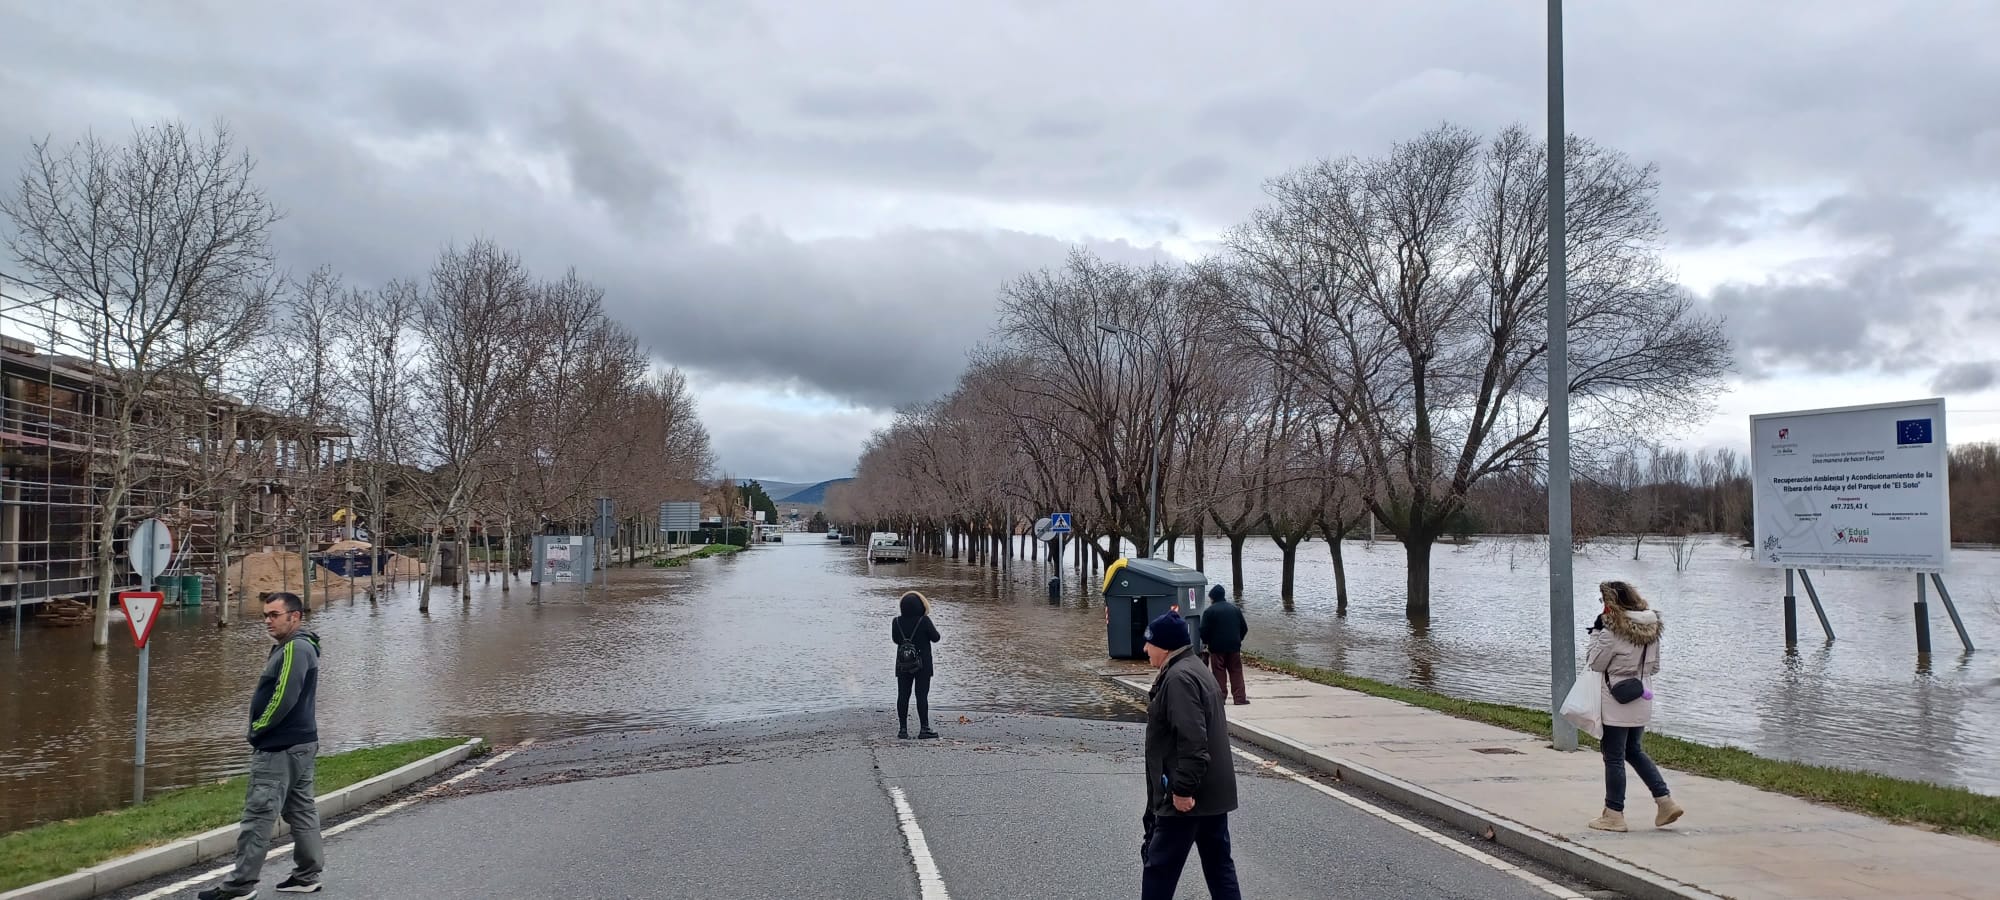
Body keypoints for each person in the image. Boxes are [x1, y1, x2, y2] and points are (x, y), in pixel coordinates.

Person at [200, 592, 326, 898]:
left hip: (280, 747)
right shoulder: (297, 646)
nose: (267, 621)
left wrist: (258, 730)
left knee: (258, 815)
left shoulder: (295, 649)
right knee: (300, 809)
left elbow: (283, 697)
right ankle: (307, 875)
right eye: (265, 615)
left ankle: (240, 885)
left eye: (274, 615)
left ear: (294, 617)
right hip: (300, 742)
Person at [1140, 610, 1240, 900]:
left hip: (1187, 798)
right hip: (1211, 796)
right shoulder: (1195, 668)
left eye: (1150, 643)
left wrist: (1182, 790)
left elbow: (1193, 742)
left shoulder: (1179, 679)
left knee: (1159, 869)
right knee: (1219, 867)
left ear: (1167, 646)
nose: (1145, 649)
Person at [1586, 580, 1685, 832]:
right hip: (1641, 697)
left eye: (1603, 602)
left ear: (1611, 603)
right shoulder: (1652, 630)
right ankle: (1665, 801)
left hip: (1615, 702)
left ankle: (1614, 814)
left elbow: (1594, 663)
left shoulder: (1611, 632)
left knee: (1614, 757)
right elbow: (1655, 668)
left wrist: (1596, 632)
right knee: (1634, 751)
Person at [891, 590, 943, 740]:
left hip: (902, 664)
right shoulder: (924, 621)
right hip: (923, 665)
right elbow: (936, 638)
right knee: (921, 696)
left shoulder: (896, 621)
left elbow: (896, 640)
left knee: (903, 695)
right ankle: (924, 728)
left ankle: (902, 729)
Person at [1198, 584, 1250, 705]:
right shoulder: (1235, 609)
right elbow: (1244, 628)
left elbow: (1203, 630)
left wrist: (1206, 642)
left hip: (1217, 648)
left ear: (1212, 598)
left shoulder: (1209, 611)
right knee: (1236, 671)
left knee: (1218, 672)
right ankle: (1240, 698)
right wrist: (1238, 640)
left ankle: (1221, 698)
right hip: (1234, 647)